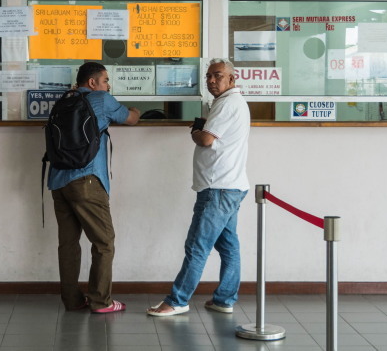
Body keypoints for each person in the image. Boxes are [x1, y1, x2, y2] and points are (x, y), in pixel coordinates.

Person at [147, 58, 250, 317]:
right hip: (229, 186)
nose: (211, 80)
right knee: (228, 247)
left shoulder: (228, 104)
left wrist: (195, 129)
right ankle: (225, 299)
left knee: (197, 246)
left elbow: (205, 139)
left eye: (218, 76)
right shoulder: (229, 103)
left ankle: (178, 300)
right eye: (208, 76)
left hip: (218, 189)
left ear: (231, 79)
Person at [48, 61, 141, 313]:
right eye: (105, 80)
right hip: (87, 181)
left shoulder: (63, 101)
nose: (108, 85)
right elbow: (130, 118)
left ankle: (73, 300)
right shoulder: (101, 99)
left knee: (68, 244)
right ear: (92, 83)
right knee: (104, 242)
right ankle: (101, 301)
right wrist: (136, 109)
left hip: (58, 181)